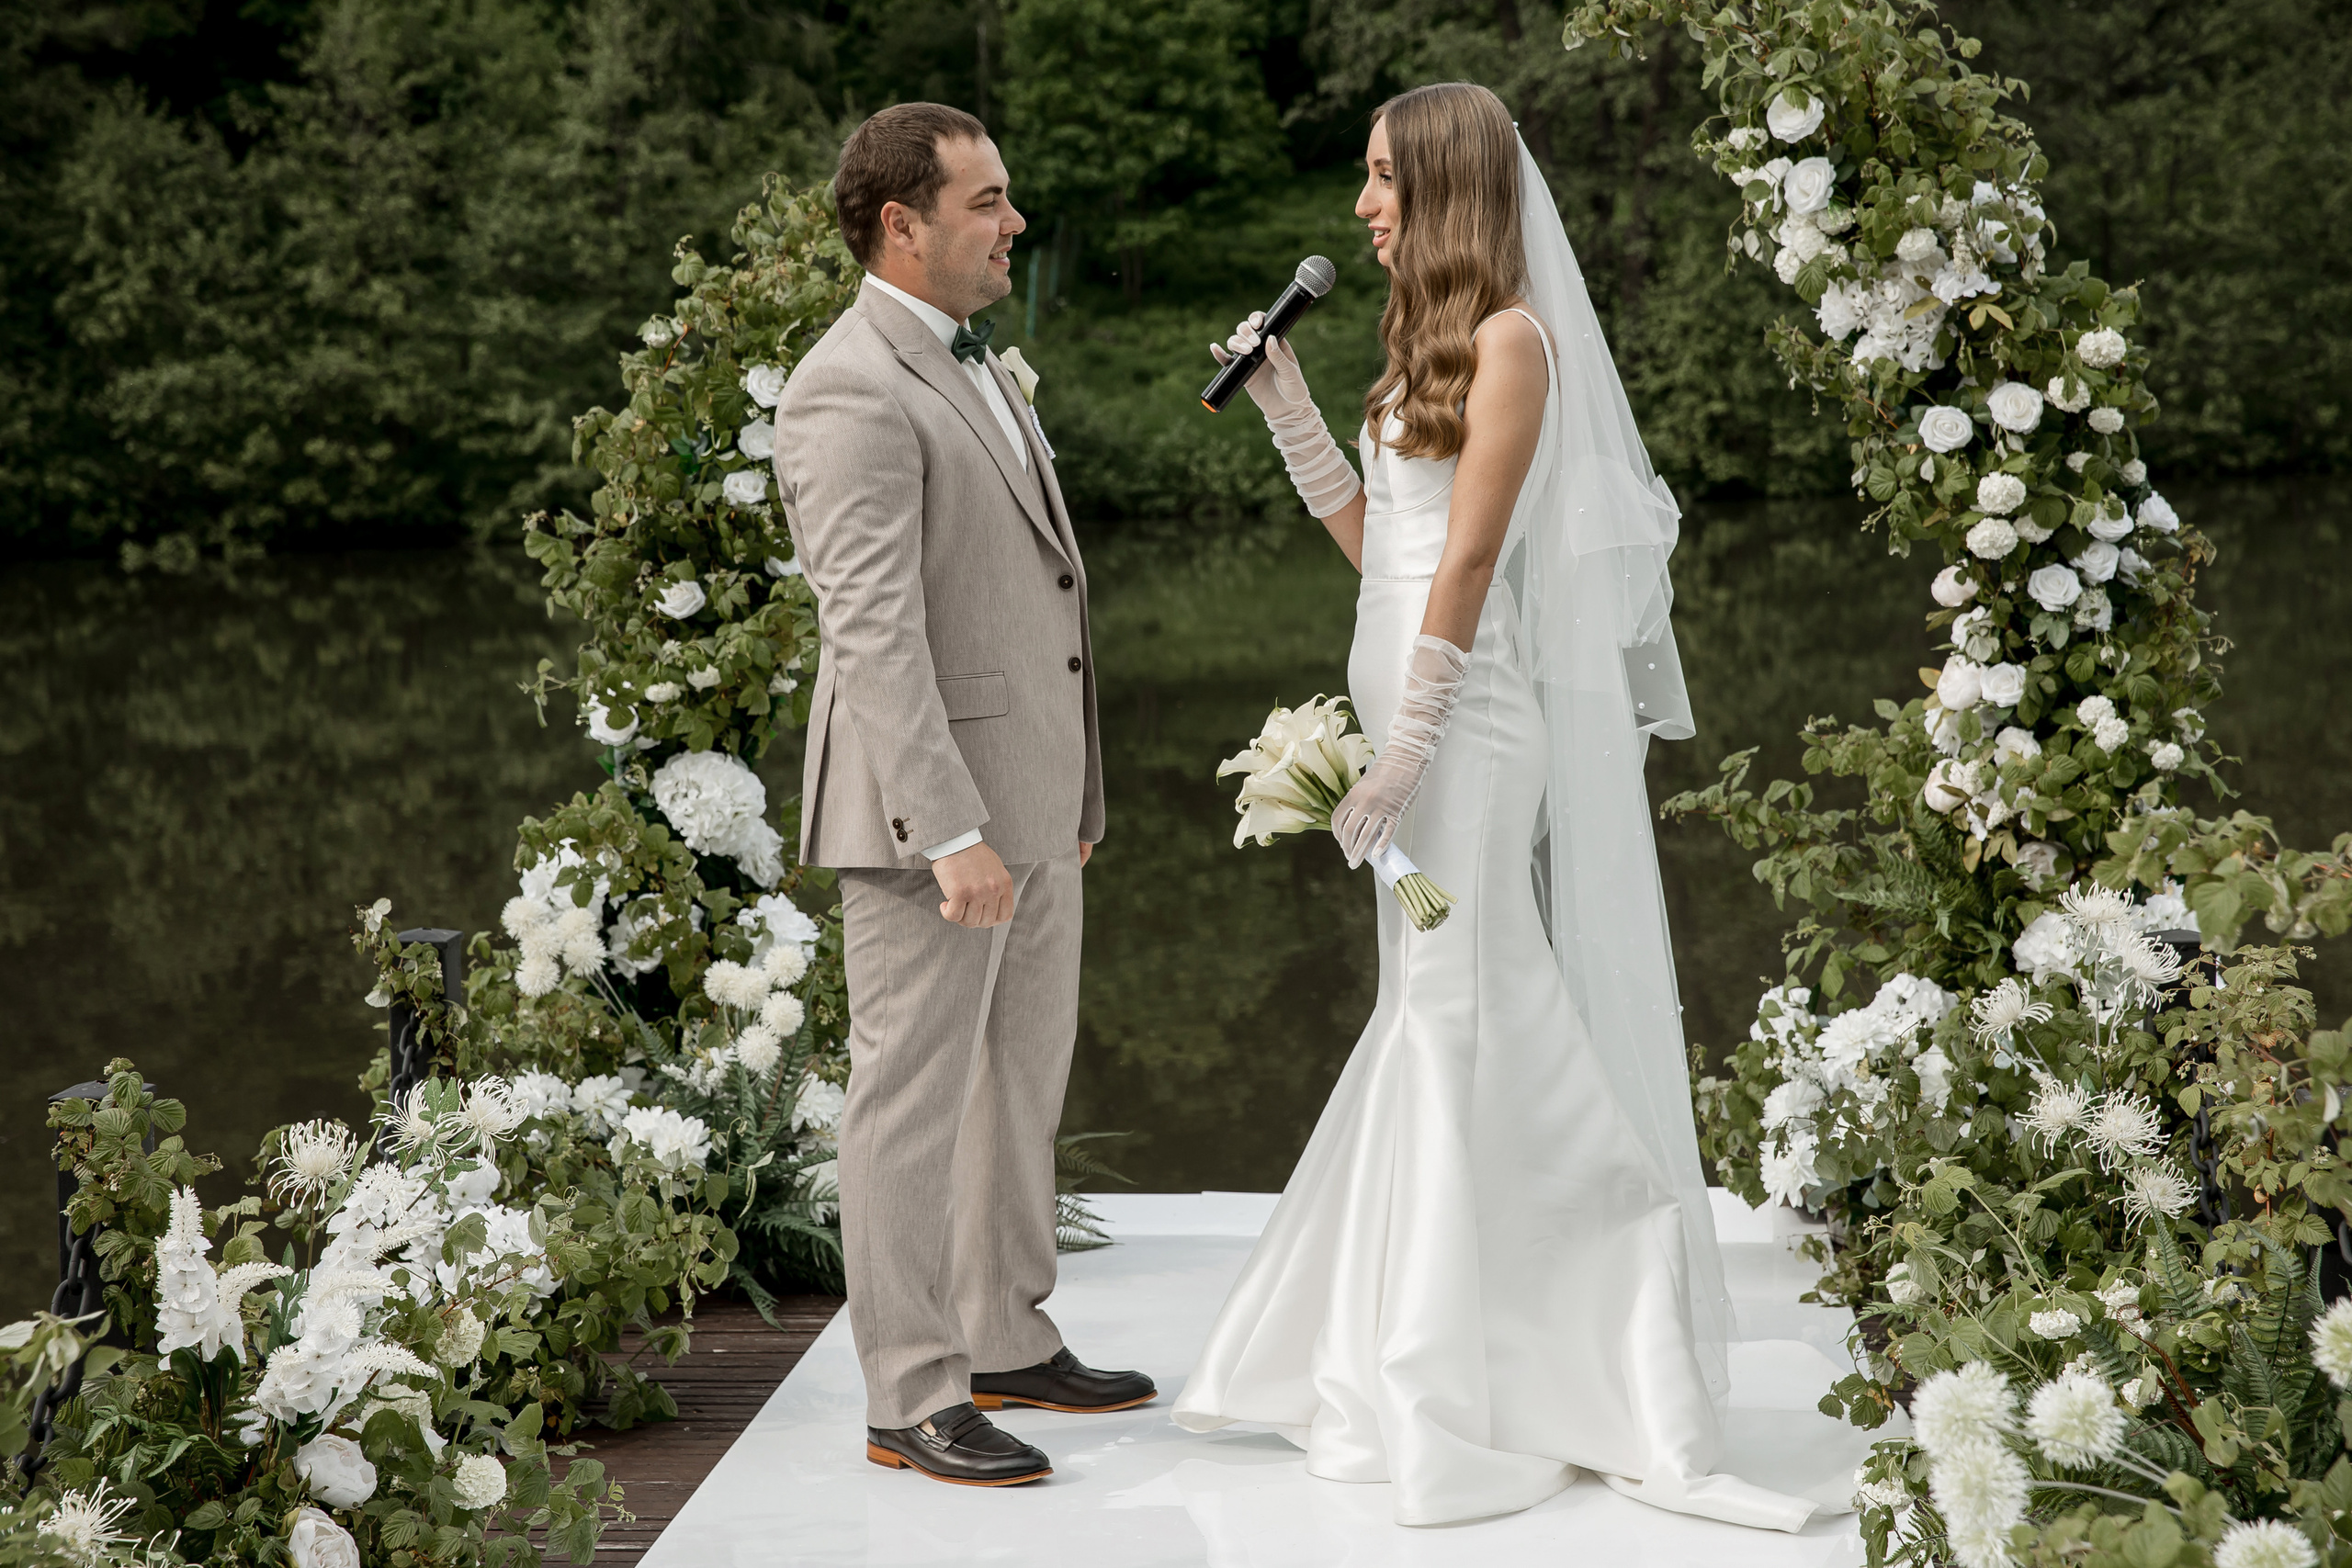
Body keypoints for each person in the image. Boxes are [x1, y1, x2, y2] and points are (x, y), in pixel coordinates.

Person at [1171, 81, 1822, 1531]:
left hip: (1466, 728)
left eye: (1385, 177)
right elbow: (1382, 549)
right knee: (1437, 1001)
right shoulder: (1418, 351)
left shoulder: (1517, 342)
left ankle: (1517, 1354)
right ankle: (1448, 1343)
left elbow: (1465, 574)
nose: (1363, 205)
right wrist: (1286, 409)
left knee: (1463, 1000)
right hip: (1417, 711)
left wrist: (1408, 748)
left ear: (1453, 182)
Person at [771, 102, 1153, 1490]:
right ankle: (910, 1393)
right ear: (902, 225)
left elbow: (1038, 596)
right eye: (987, 202)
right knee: (912, 1099)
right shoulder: (847, 385)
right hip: (931, 823)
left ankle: (1003, 1335)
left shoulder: (972, 359)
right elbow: (874, 635)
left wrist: (1070, 793)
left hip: (1033, 803)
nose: (1014, 223)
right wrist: (952, 831)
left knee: (1017, 1082)